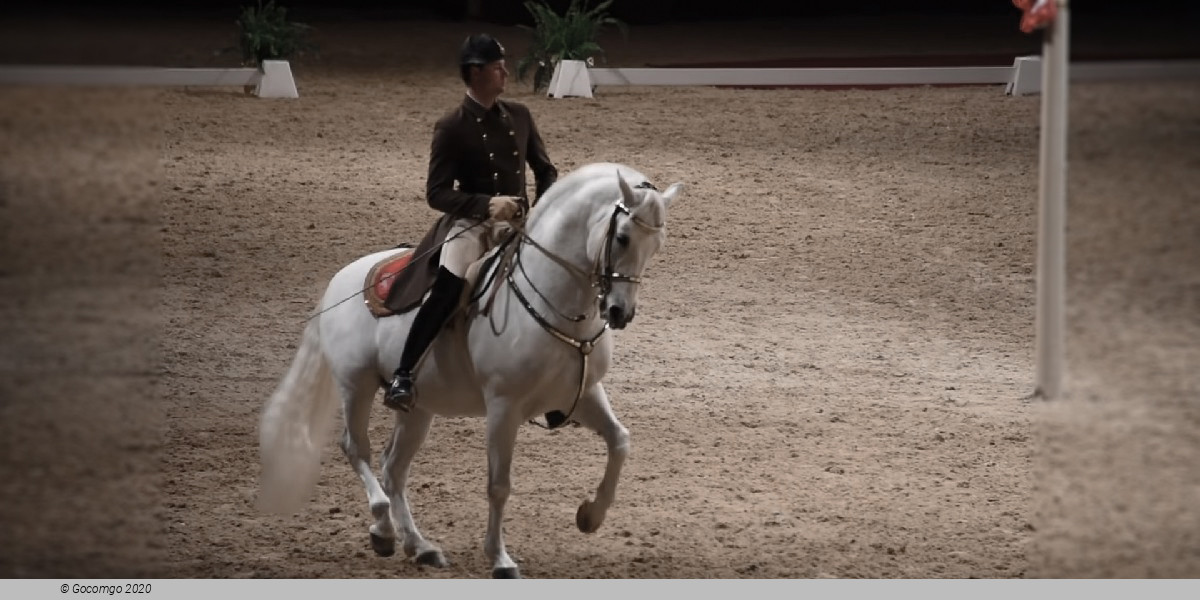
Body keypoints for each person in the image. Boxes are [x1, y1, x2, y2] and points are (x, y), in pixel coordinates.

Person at [383, 33, 558, 411]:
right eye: (498, 68)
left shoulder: (520, 116)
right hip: (471, 224)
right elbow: (436, 193)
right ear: (476, 72)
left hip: (518, 224)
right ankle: (403, 374)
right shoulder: (452, 126)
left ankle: (556, 384)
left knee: (553, 281)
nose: (505, 73)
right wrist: (486, 204)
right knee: (449, 286)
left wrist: (540, 213)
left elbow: (546, 170)